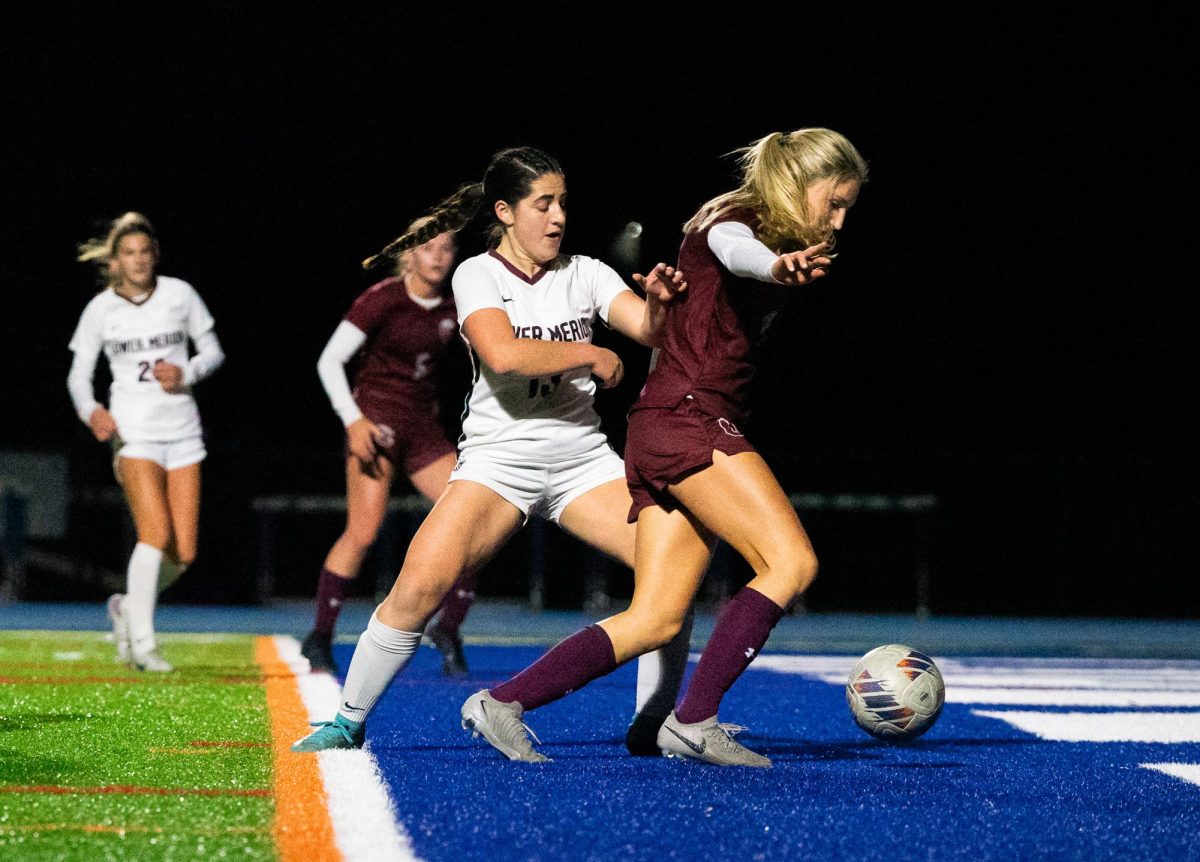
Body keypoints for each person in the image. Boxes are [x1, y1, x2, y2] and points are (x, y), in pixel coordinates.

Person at [460, 128, 868, 767]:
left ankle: (502, 702)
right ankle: (694, 720)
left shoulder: (754, 227)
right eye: (834, 201)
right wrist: (775, 266)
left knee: (655, 617)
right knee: (791, 564)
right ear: (800, 183)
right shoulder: (738, 223)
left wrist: (780, 262)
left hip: (660, 425)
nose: (839, 219)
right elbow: (734, 251)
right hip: (690, 419)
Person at [291, 145, 689, 753]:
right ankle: (347, 721)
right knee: (418, 588)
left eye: (563, 203)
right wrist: (590, 352)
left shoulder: (587, 271)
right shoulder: (476, 273)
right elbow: (502, 353)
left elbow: (650, 330)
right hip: (500, 462)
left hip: (582, 459)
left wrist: (660, 303)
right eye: (543, 204)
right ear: (504, 211)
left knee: (674, 570)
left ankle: (651, 724)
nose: (558, 217)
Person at [301, 219, 478, 677]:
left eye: (446, 247)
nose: (439, 256)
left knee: (474, 520)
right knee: (362, 532)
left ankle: (448, 628)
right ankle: (319, 637)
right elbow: (328, 361)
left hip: (422, 430)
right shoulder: (383, 299)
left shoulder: (456, 305)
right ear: (409, 254)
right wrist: (353, 420)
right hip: (375, 427)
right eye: (428, 248)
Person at [67, 212, 225, 672]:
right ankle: (143, 644)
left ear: (154, 256)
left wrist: (187, 372)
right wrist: (91, 410)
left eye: (144, 251)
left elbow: (213, 351)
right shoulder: (100, 310)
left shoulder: (179, 294)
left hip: (183, 432)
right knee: (154, 535)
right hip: (133, 435)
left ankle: (125, 606)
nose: (138, 260)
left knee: (184, 554)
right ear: (114, 261)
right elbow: (78, 376)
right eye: (128, 253)